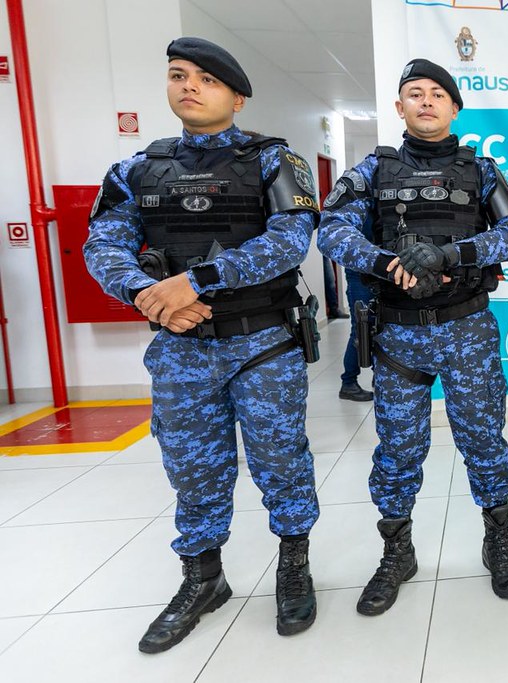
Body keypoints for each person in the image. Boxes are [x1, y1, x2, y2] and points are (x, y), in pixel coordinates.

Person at [83, 37, 320, 652]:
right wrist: (148, 295)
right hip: (180, 346)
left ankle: (294, 566)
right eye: (178, 75)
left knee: (281, 459)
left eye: (207, 79)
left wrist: (194, 282)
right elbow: (101, 246)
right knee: (192, 467)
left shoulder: (274, 161)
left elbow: (289, 241)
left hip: (261, 342)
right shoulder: (136, 170)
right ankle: (203, 578)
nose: (189, 85)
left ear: (237, 98)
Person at [317, 58, 508, 615]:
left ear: (454, 107)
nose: (427, 101)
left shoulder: (481, 171)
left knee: (484, 440)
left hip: (467, 330)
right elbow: (331, 230)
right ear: (400, 106)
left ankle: (498, 540)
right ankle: (397, 552)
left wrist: (452, 254)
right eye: (415, 93)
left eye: (438, 93)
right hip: (399, 335)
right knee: (397, 448)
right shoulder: (373, 170)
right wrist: (389, 264)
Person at [337, 267, 373, 401]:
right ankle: (348, 383)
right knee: (360, 329)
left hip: (378, 273)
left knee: (380, 327)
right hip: (359, 274)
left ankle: (379, 374)